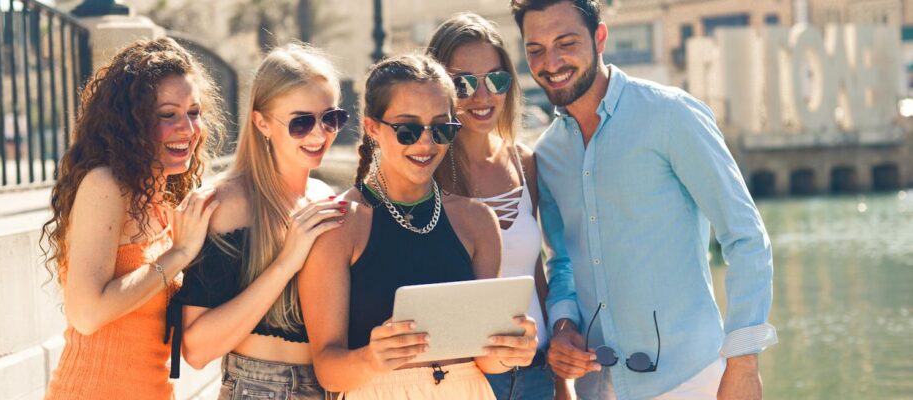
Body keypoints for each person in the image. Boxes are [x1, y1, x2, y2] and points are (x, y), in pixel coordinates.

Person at [510, 1, 778, 399]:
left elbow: (745, 237)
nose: (551, 62)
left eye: (566, 43)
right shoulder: (548, 154)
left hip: (693, 381)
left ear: (600, 37)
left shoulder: (671, 115)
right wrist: (564, 325)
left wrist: (743, 361)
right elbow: (562, 259)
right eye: (535, 49)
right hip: (598, 388)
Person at [297, 54, 539, 399]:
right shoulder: (338, 224)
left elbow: (486, 360)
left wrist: (512, 350)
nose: (426, 143)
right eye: (408, 130)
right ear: (372, 128)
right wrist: (371, 359)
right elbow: (328, 370)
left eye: (441, 128)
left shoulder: (477, 222)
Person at [40, 37, 225, 399]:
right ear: (131, 122)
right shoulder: (105, 185)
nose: (187, 128)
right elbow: (87, 314)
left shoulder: (163, 200)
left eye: (194, 112)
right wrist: (179, 256)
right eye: (167, 115)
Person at [165, 44, 348, 399]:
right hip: (262, 388)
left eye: (331, 118)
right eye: (301, 122)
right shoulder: (227, 204)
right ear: (262, 122)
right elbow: (197, 349)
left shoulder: (327, 197)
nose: (319, 134)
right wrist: (285, 264)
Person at [426, 12, 564, 400]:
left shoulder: (525, 164)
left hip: (535, 371)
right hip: (459, 379)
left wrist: (559, 379)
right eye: (463, 83)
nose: (483, 97)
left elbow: (535, 273)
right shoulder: (426, 173)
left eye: (496, 80)